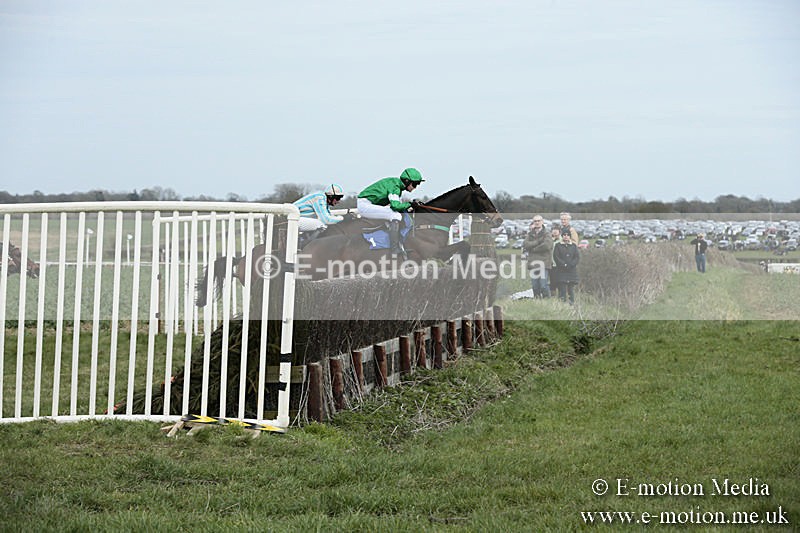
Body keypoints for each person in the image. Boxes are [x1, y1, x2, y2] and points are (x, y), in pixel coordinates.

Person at [357, 168, 424, 254]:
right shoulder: (395, 186)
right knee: (395, 215)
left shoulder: (396, 185)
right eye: (414, 184)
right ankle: (394, 249)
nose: (415, 187)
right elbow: (395, 206)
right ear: (407, 181)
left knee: (397, 214)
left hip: (368, 204)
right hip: (365, 205)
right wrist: (410, 204)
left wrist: (411, 205)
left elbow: (398, 206)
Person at [522, 215, 553, 298]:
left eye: (539, 221)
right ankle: (537, 303)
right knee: (535, 287)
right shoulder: (530, 234)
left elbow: (547, 246)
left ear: (542, 222)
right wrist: (538, 241)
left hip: (544, 263)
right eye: (535, 221)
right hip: (533, 263)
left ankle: (547, 302)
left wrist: (533, 249)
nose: (537, 222)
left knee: (543, 285)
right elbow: (525, 245)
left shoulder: (547, 233)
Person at [553, 228, 580, 305]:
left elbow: (577, 257)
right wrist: (563, 264)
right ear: (562, 236)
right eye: (564, 235)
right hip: (561, 271)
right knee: (562, 290)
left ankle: (572, 304)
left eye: (568, 235)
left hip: (571, 271)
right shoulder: (558, 246)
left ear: (570, 236)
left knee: (571, 290)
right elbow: (556, 256)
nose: (566, 236)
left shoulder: (574, 246)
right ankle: (562, 305)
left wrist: (571, 264)